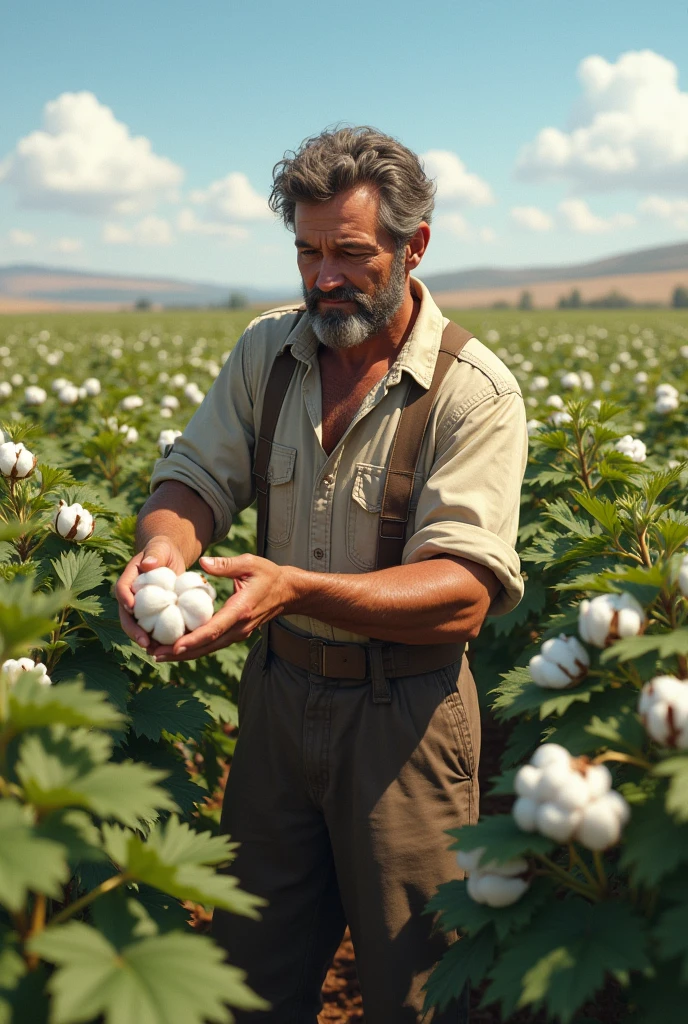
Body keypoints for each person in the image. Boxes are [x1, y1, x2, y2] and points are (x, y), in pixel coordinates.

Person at [115, 125, 528, 1024]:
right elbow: (193, 478)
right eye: (307, 251)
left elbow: (460, 592)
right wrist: (164, 554)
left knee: (419, 992)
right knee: (248, 974)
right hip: (277, 702)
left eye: (350, 252)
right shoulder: (270, 352)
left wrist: (298, 588)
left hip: (405, 726)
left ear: (415, 246)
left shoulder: (474, 393)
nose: (323, 278)